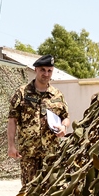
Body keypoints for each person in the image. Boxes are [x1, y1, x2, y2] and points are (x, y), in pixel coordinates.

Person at [6, 54, 70, 185]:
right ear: (35, 70)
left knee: (50, 191)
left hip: (51, 153)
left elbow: (66, 117)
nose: (46, 74)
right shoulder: (22, 93)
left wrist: (64, 127)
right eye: (42, 70)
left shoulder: (57, 95)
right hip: (29, 154)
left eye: (49, 70)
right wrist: (11, 146)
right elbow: (12, 120)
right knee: (29, 192)